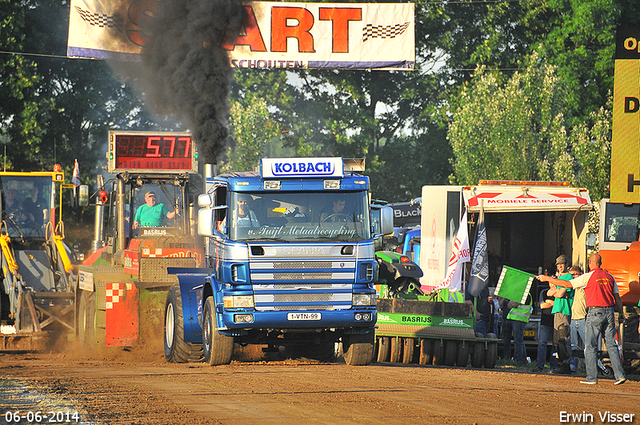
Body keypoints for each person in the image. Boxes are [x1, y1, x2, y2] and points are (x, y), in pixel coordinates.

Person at [538, 253, 627, 385]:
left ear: (590, 262)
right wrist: (620, 314)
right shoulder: (610, 277)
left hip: (595, 311)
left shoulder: (588, 276)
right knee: (611, 344)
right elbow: (617, 298)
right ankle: (620, 375)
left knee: (590, 346)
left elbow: (566, 284)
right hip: (609, 311)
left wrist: (547, 279)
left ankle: (592, 377)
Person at [547, 254, 574, 374]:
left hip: (564, 310)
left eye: (562, 264)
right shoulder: (558, 279)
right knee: (557, 339)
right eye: (558, 264)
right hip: (557, 310)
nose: (560, 266)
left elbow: (559, 294)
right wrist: (556, 291)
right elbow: (549, 292)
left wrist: (555, 291)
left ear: (567, 265)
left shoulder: (569, 278)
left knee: (563, 337)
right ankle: (560, 363)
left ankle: (565, 364)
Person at [501, 293, 531, 363]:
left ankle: (519, 359)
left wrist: (512, 303)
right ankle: (521, 359)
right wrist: (512, 303)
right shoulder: (518, 294)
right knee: (518, 341)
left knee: (518, 341)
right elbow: (509, 305)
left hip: (520, 319)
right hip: (514, 318)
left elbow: (514, 304)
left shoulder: (525, 294)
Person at [536, 286, 558, 372]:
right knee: (542, 343)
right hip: (545, 322)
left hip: (556, 322)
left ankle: (554, 367)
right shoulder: (544, 292)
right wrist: (554, 303)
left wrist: (549, 302)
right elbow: (542, 305)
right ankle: (540, 366)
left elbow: (559, 304)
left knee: (555, 345)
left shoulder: (559, 292)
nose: (552, 284)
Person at [568, 265, 586, 372]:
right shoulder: (571, 287)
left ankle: (590, 367)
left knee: (587, 345)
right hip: (573, 319)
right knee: (573, 346)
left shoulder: (584, 286)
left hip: (582, 318)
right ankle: (574, 367)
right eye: (571, 275)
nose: (573, 277)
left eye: (575, 274)